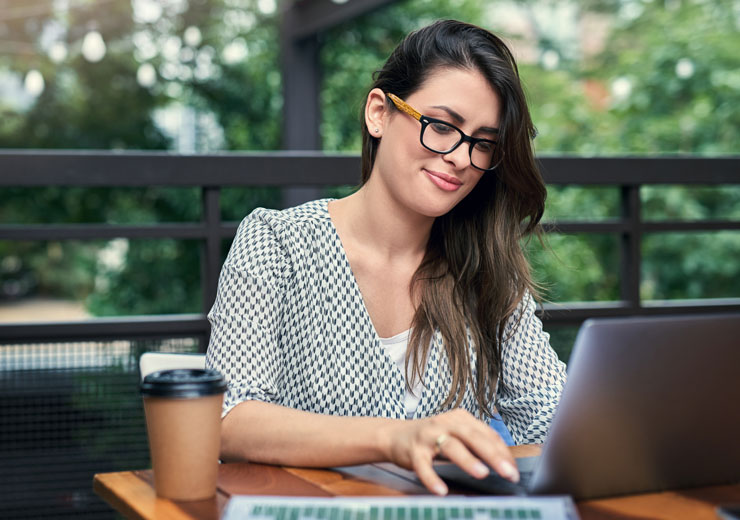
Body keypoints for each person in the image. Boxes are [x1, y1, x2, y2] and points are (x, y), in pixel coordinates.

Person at [206, 19, 566, 496]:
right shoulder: (277, 243)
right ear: (379, 112)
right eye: (441, 127)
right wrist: (395, 439)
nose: (461, 157)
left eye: (483, 142)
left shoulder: (485, 269)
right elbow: (230, 420)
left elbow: (554, 420)